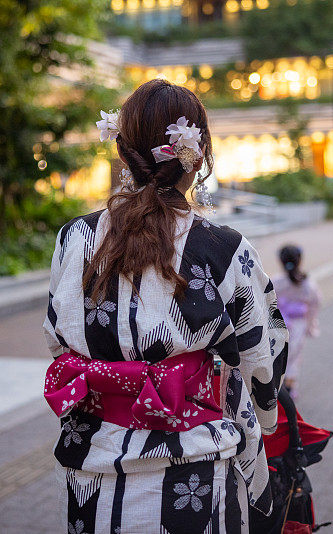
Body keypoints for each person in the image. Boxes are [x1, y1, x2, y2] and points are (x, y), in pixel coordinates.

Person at [42, 79, 288, 533]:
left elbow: (59, 339)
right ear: (197, 157)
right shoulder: (223, 247)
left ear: (123, 153)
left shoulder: (75, 237)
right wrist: (268, 415)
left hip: (93, 460)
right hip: (193, 460)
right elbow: (261, 350)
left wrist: (115, 374)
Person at [272, 245, 320, 399]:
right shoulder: (307, 284)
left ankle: (278, 386)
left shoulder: (276, 282)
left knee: (279, 355)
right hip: (298, 324)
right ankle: (290, 388)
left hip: (278, 323)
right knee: (293, 357)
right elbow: (316, 302)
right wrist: (310, 323)